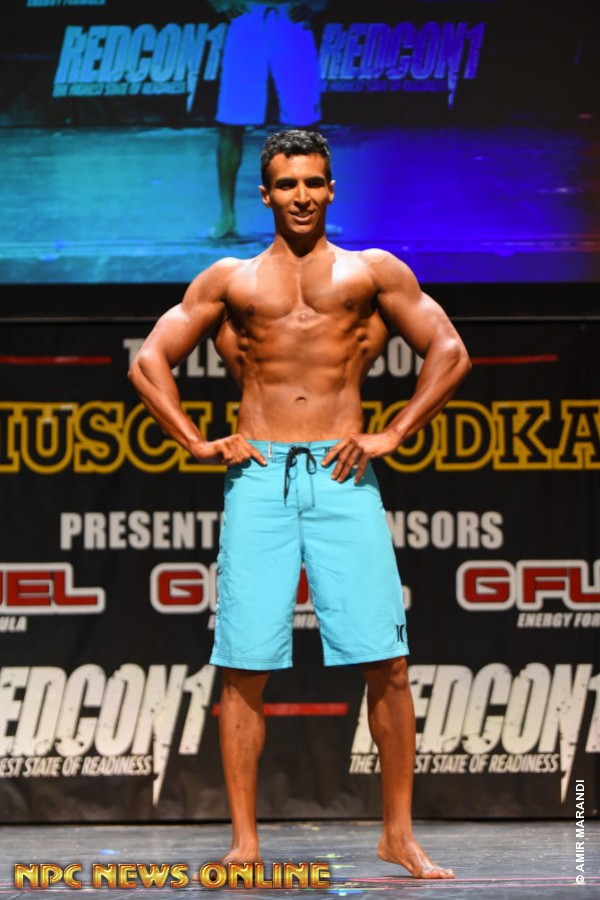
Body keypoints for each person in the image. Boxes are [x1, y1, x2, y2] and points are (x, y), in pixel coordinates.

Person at [129, 129, 470, 878]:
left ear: (332, 188)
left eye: (314, 182)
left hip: (342, 473)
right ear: (265, 194)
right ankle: (245, 843)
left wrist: (394, 433)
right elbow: (149, 360)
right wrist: (194, 441)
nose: (302, 196)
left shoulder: (372, 272)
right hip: (260, 476)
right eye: (287, 184)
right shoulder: (231, 280)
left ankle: (398, 836)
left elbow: (450, 351)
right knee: (243, 664)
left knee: (388, 663)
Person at [206, 0, 327, 238]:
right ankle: (226, 216)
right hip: (247, 19)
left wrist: (316, 4)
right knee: (230, 124)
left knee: (307, 127)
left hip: (291, 19)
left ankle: (314, 216)